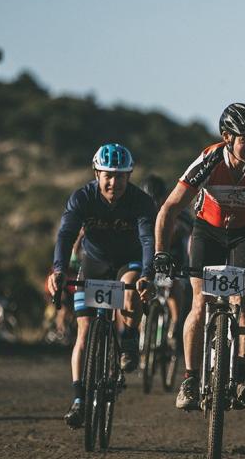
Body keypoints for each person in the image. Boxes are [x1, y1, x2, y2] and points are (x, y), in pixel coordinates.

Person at [153, 103, 245, 411]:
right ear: (227, 138)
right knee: (199, 302)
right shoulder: (208, 160)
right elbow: (169, 209)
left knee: (243, 300)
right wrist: (160, 253)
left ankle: (244, 374)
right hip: (207, 231)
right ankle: (191, 379)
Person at [46, 143, 156, 428]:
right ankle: (79, 399)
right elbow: (66, 235)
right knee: (83, 332)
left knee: (130, 285)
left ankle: (129, 340)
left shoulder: (141, 201)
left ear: (129, 177)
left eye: (120, 176)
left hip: (128, 262)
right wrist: (58, 270)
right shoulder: (82, 198)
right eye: (107, 175)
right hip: (94, 262)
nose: (113, 182)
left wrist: (147, 273)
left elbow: (147, 240)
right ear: (96, 173)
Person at [139, 174, 193, 350]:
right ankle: (139, 329)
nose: (155, 205)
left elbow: (195, 232)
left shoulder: (179, 213)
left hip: (173, 257)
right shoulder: (138, 213)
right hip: (146, 257)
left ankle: (175, 326)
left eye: (158, 200)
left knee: (173, 284)